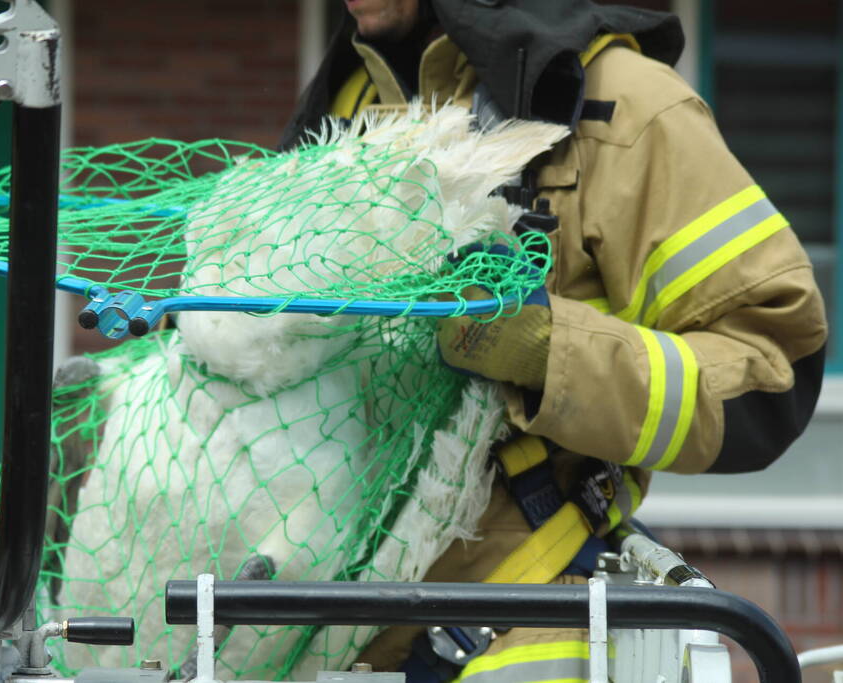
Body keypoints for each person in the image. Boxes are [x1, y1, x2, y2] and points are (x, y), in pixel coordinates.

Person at [280, 0, 829, 681]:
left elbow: (769, 371)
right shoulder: (350, 100)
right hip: (329, 636)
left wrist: (547, 352)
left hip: (524, 634)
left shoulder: (623, 108)